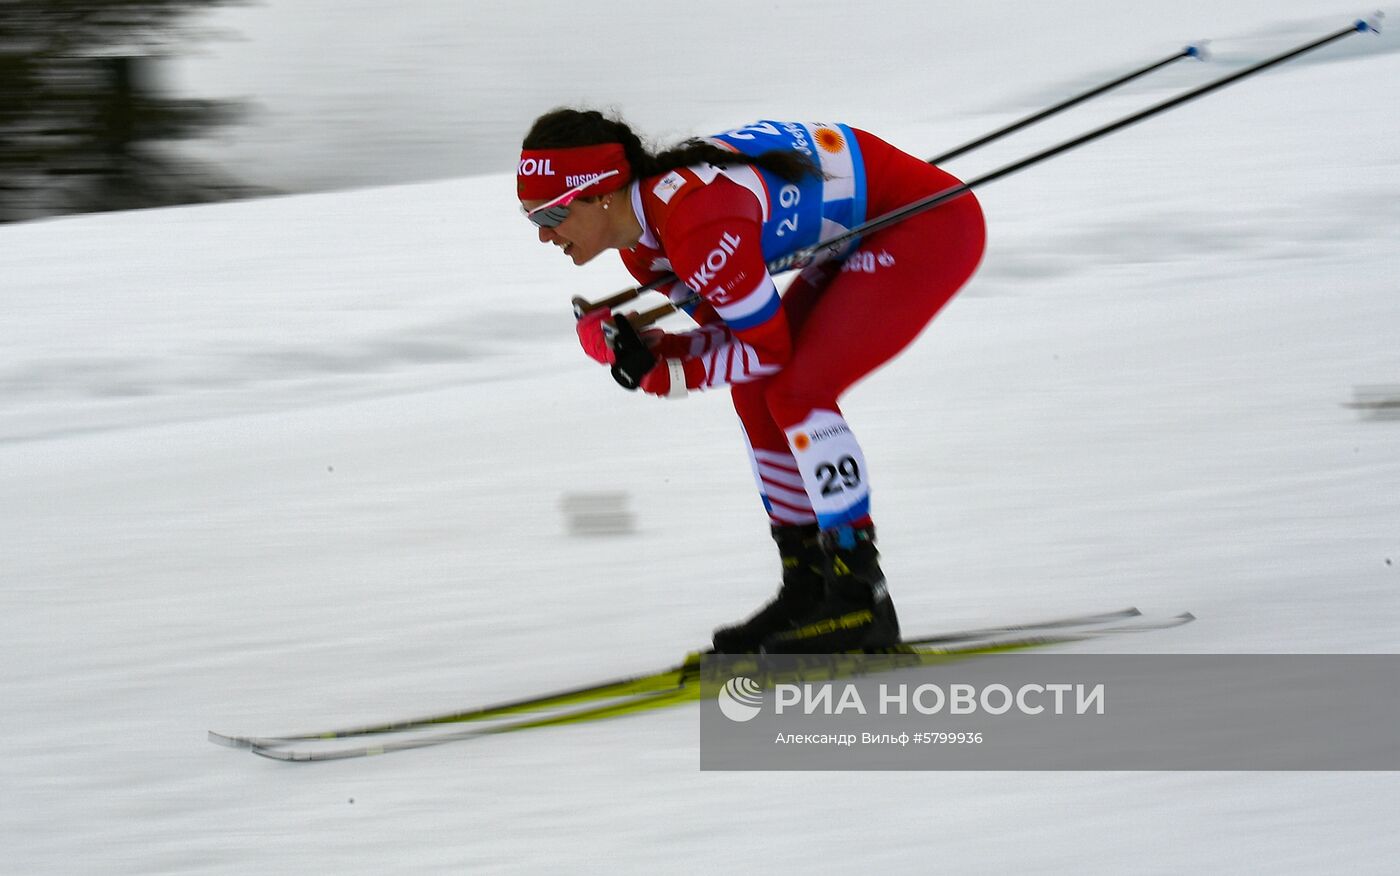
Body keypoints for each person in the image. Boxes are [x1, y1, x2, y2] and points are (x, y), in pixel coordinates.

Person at [518, 109, 986, 653]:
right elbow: (733, 338)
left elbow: (765, 349)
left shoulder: (695, 224)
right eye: (532, 219)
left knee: (797, 391)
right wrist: (653, 351)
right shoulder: (641, 249)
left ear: (600, 193)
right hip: (860, 230)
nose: (544, 235)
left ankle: (859, 592)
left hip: (927, 225)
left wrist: (665, 375)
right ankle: (809, 583)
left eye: (551, 214)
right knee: (758, 391)